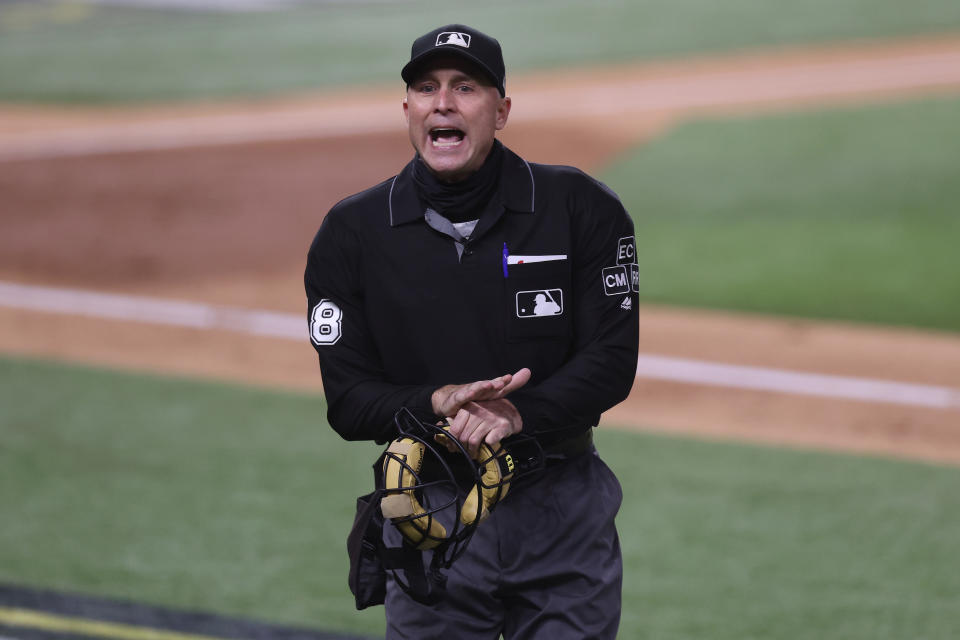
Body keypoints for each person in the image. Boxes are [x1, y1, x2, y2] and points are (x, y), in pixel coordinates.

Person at [305, 23, 639, 640]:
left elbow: (612, 362)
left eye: (466, 87)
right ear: (407, 109)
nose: (444, 102)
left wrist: (517, 413)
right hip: (433, 511)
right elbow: (349, 403)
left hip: (561, 505)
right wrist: (433, 403)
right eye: (427, 88)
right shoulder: (352, 234)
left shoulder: (580, 208)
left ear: (502, 110)